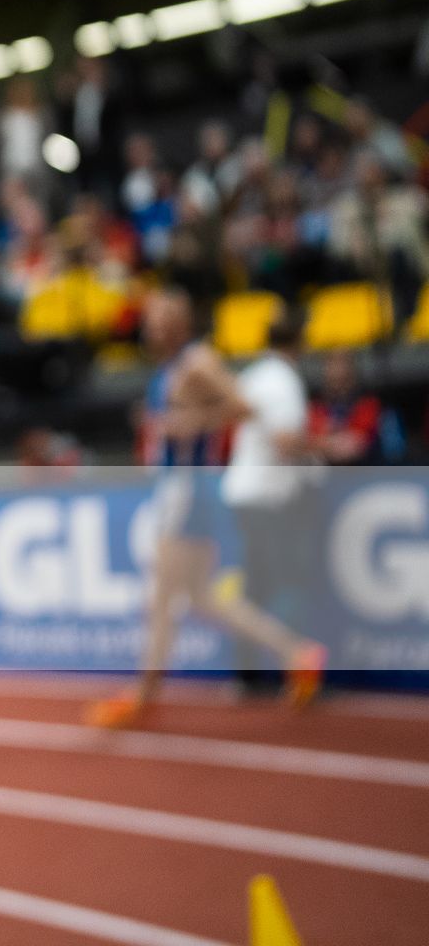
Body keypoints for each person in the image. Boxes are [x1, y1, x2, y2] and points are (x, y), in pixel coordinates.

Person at [85, 290, 325, 728]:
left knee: (161, 600)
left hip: (188, 491)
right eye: (150, 320)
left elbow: (245, 407)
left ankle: (143, 695)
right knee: (199, 596)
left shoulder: (196, 362)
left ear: (180, 323)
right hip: (179, 489)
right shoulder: (172, 367)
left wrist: (191, 423)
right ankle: (297, 651)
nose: (151, 329)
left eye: (161, 319)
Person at [217, 309, 329, 694]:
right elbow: (285, 440)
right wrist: (329, 445)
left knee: (257, 586)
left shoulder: (256, 374)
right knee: (288, 583)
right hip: (267, 495)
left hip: (245, 490)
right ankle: (296, 671)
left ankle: (248, 677)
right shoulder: (283, 380)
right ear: (299, 342)